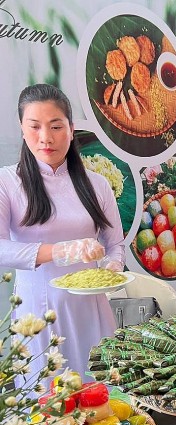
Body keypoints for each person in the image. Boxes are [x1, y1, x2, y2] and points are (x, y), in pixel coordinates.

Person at [0, 83, 125, 386]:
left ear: (71, 128)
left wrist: (113, 267)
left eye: (56, 126)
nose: (46, 138)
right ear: (22, 128)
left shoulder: (97, 184)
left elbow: (115, 243)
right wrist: (58, 251)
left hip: (91, 308)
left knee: (98, 397)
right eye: (35, 127)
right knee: (47, 404)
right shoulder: (7, 182)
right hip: (38, 313)